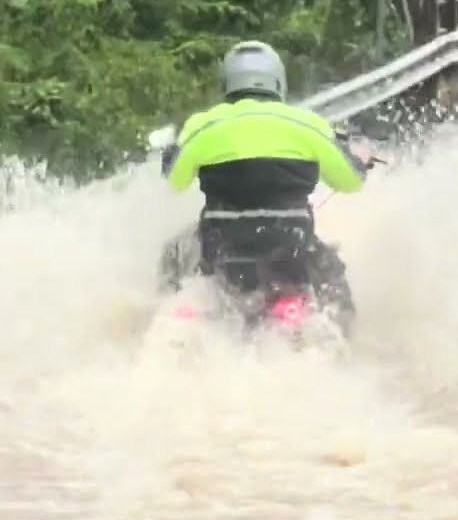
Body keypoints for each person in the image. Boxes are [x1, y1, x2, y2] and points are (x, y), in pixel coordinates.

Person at [159, 40, 371, 332]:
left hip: (221, 244)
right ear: (278, 81)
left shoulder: (202, 124)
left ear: (228, 82)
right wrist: (358, 162)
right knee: (332, 275)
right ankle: (346, 340)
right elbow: (350, 181)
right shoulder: (308, 124)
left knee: (173, 252)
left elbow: (174, 181)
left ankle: (166, 313)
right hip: (291, 245)